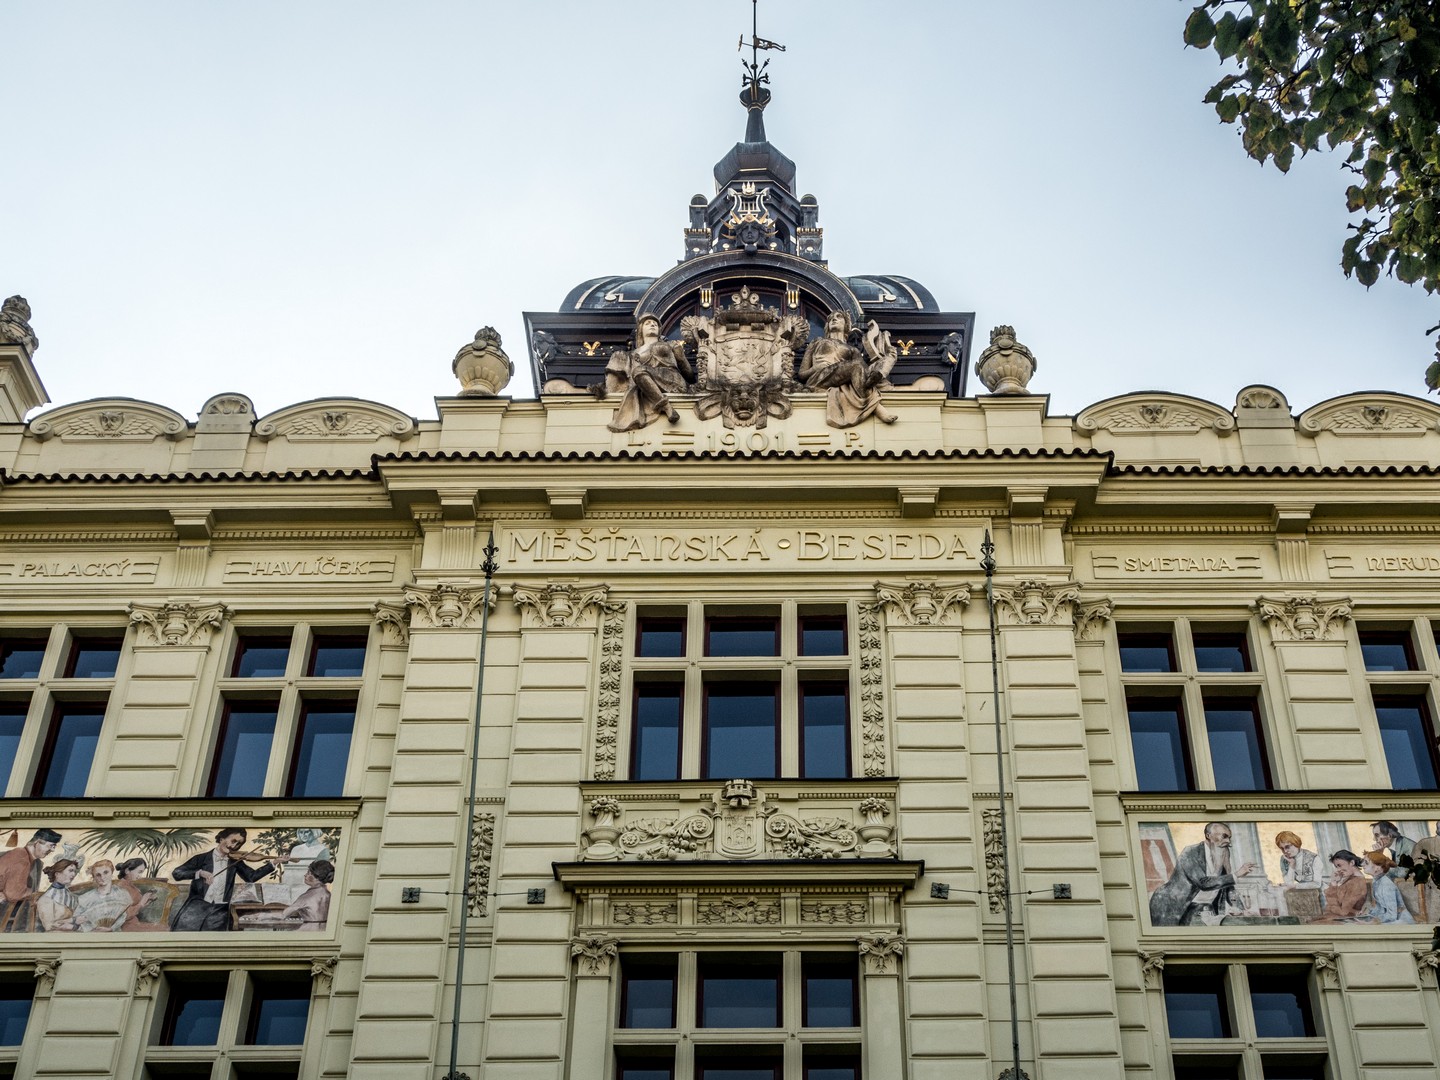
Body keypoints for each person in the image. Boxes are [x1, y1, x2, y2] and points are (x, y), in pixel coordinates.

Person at [170, 828, 286, 932]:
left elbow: (251, 877)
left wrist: (274, 862)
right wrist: (200, 873)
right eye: (233, 841)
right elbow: (176, 873)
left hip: (220, 912)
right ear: (221, 838)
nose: (234, 846)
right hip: (196, 908)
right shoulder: (202, 858)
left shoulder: (235, 862)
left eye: (238, 844)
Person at [797, 310, 897, 427]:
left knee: (866, 370)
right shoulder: (817, 342)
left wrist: (887, 360)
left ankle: (876, 378)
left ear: (846, 325)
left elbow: (863, 373)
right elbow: (801, 374)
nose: (834, 319)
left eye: (838, 317)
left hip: (842, 375)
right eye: (831, 319)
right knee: (856, 367)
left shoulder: (852, 350)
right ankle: (877, 408)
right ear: (827, 325)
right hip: (819, 378)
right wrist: (816, 368)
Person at [1148, 822, 1258, 926]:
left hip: (1202, 909)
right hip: (1171, 906)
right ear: (1208, 835)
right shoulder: (1190, 852)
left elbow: (1227, 885)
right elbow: (1203, 883)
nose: (1228, 841)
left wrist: (1242, 909)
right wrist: (1237, 874)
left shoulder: (1223, 851)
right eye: (1224, 836)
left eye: (1229, 837)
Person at [599, 314, 693, 432]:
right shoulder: (632, 354)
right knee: (635, 369)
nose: (652, 325)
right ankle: (667, 407)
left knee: (640, 371)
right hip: (646, 381)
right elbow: (630, 380)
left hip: (672, 380)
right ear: (640, 329)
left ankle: (665, 406)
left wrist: (681, 356)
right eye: (648, 323)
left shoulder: (670, 344)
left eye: (655, 324)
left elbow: (689, 375)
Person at [0, 828, 60, 932]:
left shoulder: (30, 859)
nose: (52, 850)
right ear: (37, 843)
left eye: (54, 846)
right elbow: (14, 894)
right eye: (51, 846)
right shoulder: (21, 859)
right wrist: (34, 894)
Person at [73, 860, 130, 932]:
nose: (102, 877)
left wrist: (111, 928)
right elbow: (77, 919)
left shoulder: (122, 894)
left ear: (112, 872)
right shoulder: (86, 898)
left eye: (106, 872)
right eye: (98, 875)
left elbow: (123, 916)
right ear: (94, 877)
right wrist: (92, 929)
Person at [1315, 850, 1371, 922]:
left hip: (1342, 920)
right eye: (1336, 867)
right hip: (1335, 917)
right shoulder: (1350, 879)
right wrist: (1334, 882)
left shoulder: (1357, 882)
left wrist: (1332, 907)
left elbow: (1344, 912)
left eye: (1339, 865)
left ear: (1352, 862)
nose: (1338, 870)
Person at [1363, 851, 1415, 923]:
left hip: (1401, 920)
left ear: (1377, 868)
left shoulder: (1386, 885)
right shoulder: (1376, 881)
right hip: (1390, 918)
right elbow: (1380, 907)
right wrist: (1368, 914)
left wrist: (1375, 921)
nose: (1362, 865)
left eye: (1366, 863)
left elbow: (1392, 915)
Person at [114, 858, 164, 932]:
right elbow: (124, 915)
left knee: (164, 928)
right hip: (124, 926)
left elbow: (136, 905)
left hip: (134, 923)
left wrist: (147, 900)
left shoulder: (131, 886)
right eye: (139, 872)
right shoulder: (120, 888)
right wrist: (141, 903)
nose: (140, 876)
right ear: (127, 871)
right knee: (163, 929)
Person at [35, 859, 81, 931]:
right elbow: (49, 926)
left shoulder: (72, 897)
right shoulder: (46, 899)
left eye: (74, 871)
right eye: (70, 870)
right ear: (57, 874)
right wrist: (74, 926)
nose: (73, 874)